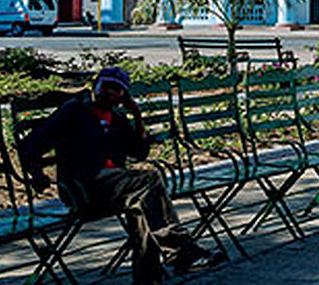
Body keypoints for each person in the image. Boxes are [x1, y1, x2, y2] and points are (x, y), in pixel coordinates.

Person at [18, 66, 226, 284]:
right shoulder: (74, 112)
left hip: (119, 189)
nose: (109, 92)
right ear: (94, 86)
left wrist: (136, 114)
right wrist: (36, 174)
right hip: (84, 187)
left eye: (116, 89)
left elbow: (139, 152)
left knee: (141, 208)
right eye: (105, 86)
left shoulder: (117, 118)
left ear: (123, 95)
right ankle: (181, 250)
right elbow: (31, 143)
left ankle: (150, 279)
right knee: (149, 179)